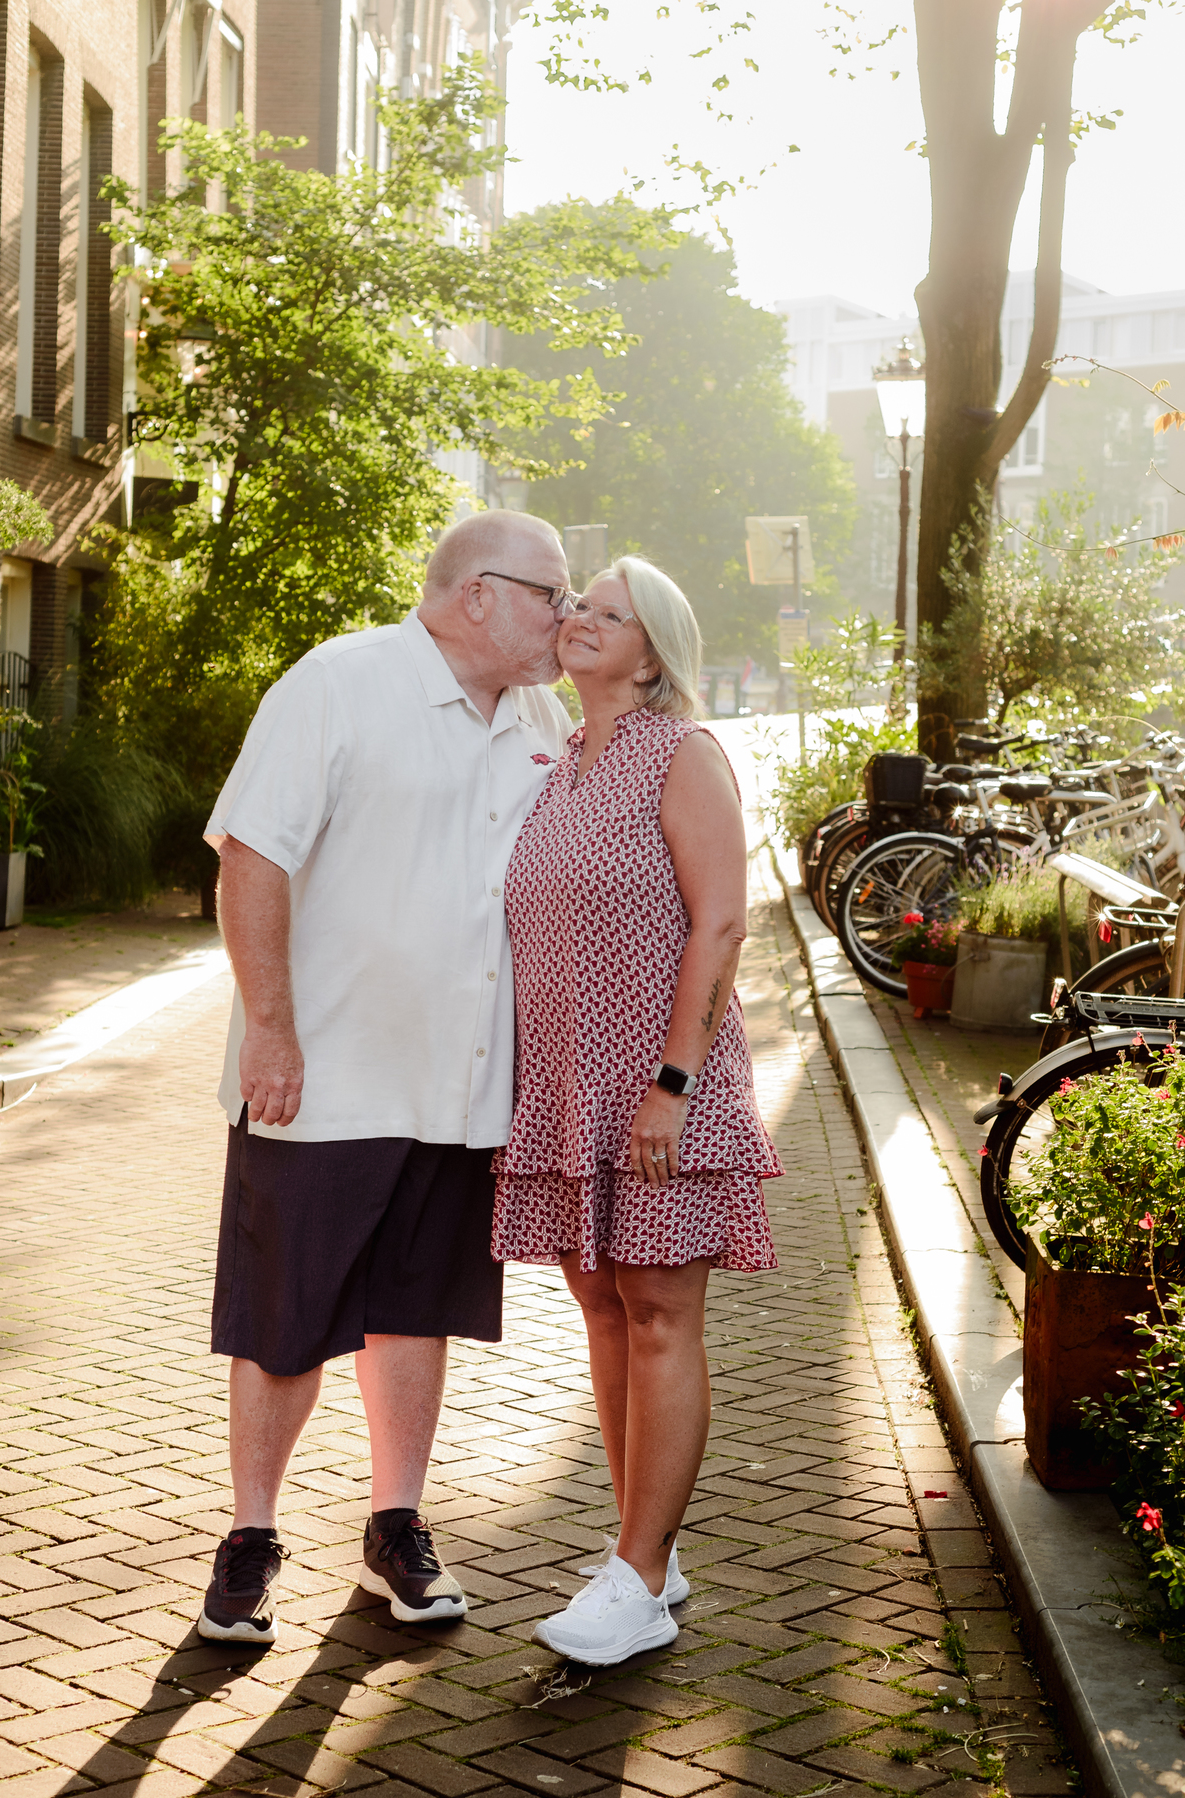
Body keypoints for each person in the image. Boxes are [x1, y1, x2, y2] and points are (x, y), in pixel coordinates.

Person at [197, 510, 576, 1646]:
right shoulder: (339, 683)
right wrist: (271, 1030)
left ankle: (394, 1525)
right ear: (478, 597)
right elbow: (250, 855)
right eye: (550, 594)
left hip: (461, 1090)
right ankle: (252, 1534)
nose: (566, 617)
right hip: (320, 1084)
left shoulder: (541, 716)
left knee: (417, 1313)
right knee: (284, 1321)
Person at [492, 555, 783, 1667]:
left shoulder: (683, 754)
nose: (577, 620)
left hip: (664, 1086)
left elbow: (718, 927)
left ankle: (639, 1573)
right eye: (574, 605)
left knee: (660, 1313)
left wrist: (672, 1085)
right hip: (568, 1090)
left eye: (606, 613)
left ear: (653, 649)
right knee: (606, 1313)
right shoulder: (558, 765)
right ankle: (642, 1550)